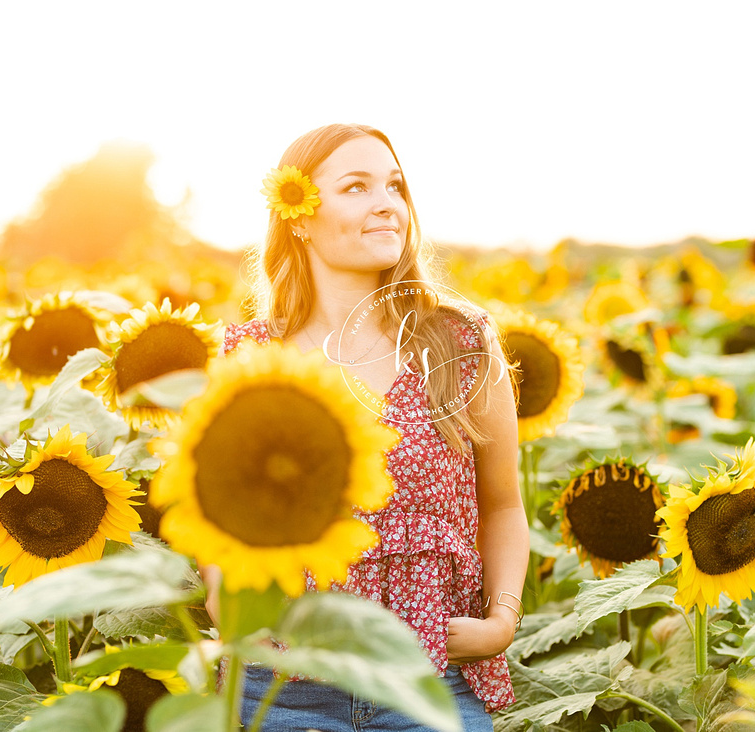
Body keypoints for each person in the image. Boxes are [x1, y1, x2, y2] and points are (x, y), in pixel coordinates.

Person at [216, 123, 529, 731]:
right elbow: (223, 517)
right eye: (356, 186)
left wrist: (502, 621)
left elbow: (504, 505)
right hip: (279, 690)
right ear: (299, 217)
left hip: (430, 684)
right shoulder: (247, 358)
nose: (387, 202)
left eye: (395, 186)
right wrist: (220, 595)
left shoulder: (460, 344)